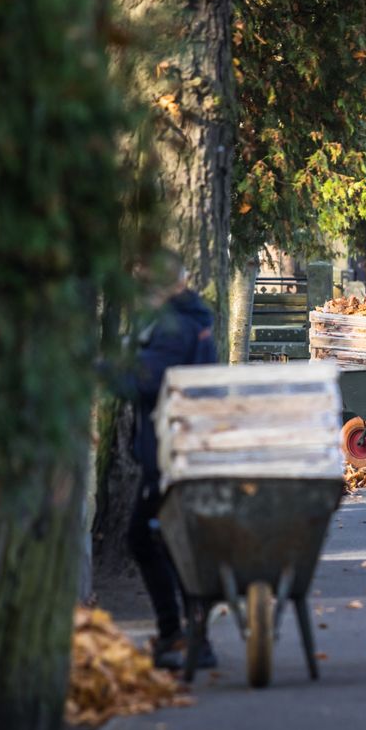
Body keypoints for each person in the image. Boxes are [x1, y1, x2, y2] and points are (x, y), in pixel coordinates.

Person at [117, 251, 219, 669]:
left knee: (149, 539)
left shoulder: (174, 326)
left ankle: (180, 636)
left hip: (170, 449)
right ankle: (189, 636)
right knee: (170, 541)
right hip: (184, 443)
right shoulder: (193, 317)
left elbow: (145, 380)